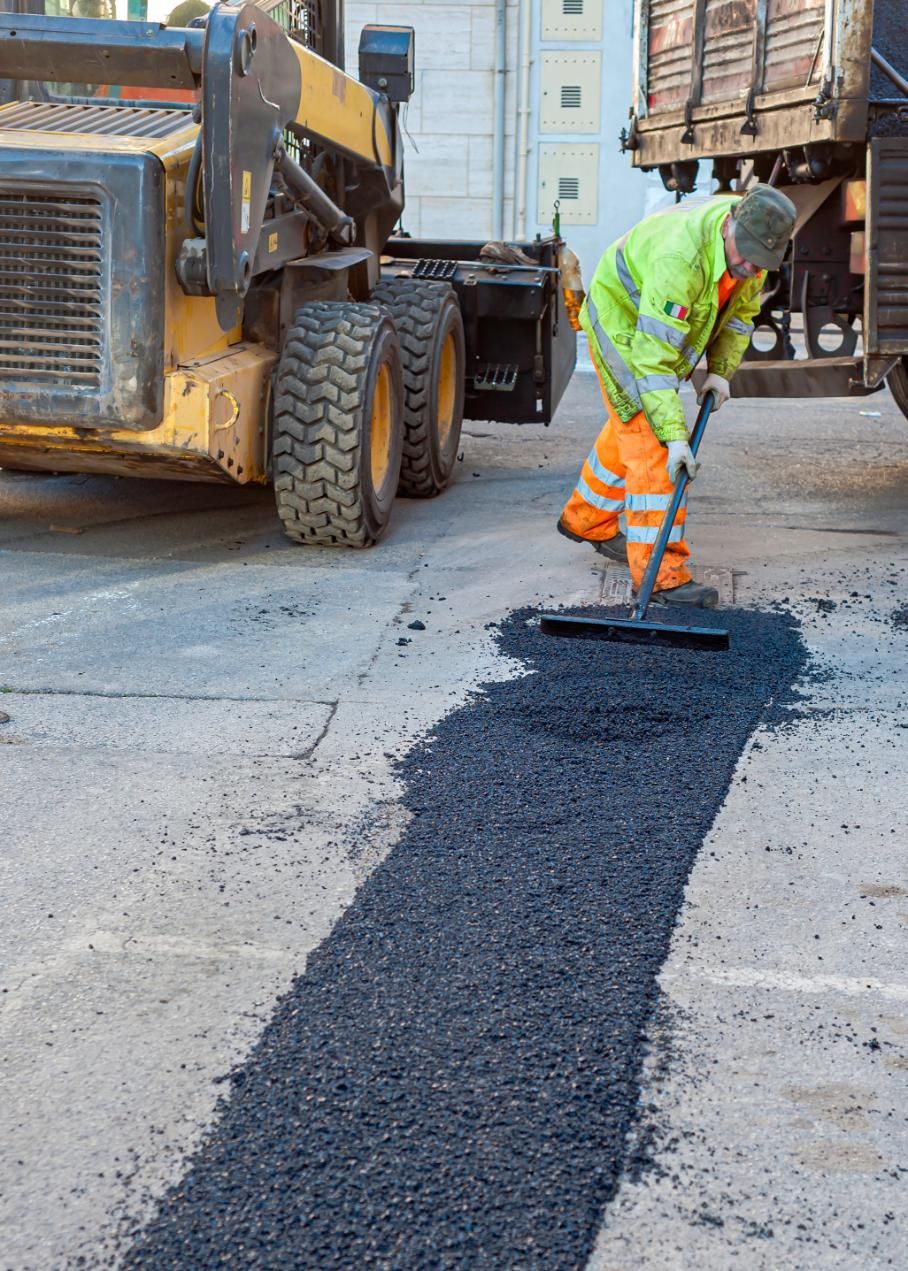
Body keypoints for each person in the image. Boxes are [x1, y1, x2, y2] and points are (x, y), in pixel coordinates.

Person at [557, 183, 797, 608]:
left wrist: (720, 374)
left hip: (659, 330)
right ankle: (662, 576)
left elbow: (741, 317)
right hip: (624, 325)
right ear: (729, 225)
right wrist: (674, 438)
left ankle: (587, 519)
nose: (747, 265)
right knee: (651, 441)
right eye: (743, 253)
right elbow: (652, 362)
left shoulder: (752, 247)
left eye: (758, 260)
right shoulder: (679, 260)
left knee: (627, 425)